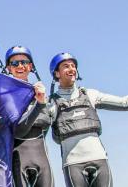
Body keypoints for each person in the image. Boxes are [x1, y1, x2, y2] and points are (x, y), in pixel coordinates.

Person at [49, 52, 128, 187]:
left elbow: (124, 103)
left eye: (73, 66)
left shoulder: (90, 94)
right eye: (66, 66)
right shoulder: (51, 102)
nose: (72, 69)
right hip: (73, 165)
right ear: (57, 74)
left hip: (100, 160)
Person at [5, 46, 54, 187]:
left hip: (42, 158)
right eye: (14, 63)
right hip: (17, 159)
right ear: (8, 68)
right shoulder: (5, 96)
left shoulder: (42, 93)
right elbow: (19, 130)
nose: (20, 66)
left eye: (24, 62)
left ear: (31, 66)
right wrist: (39, 105)